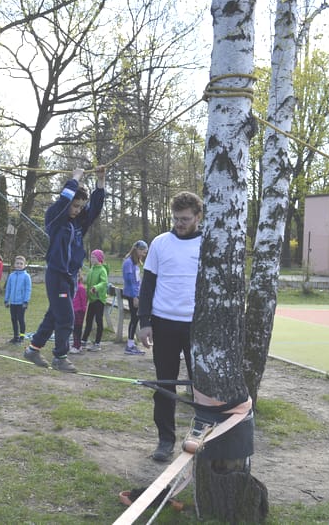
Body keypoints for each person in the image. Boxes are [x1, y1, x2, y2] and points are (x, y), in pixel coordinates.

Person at [137, 191, 203, 462]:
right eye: (176, 218)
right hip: (163, 323)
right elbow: (148, 285)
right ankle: (165, 441)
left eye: (185, 219)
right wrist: (144, 322)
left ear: (198, 217)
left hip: (197, 326)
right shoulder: (160, 243)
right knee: (165, 384)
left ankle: (202, 436)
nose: (179, 223)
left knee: (202, 387)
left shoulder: (208, 244)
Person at [23, 166, 106, 372]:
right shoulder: (55, 218)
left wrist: (101, 181)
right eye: (74, 206)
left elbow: (94, 208)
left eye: (80, 206)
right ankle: (60, 357)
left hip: (71, 277)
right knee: (67, 317)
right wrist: (75, 178)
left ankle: (33, 349)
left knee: (54, 315)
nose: (77, 210)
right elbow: (63, 201)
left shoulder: (78, 224)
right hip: (57, 275)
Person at [123, 240, 148, 355]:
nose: (144, 254)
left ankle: (131, 343)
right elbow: (129, 281)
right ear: (137, 250)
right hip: (132, 295)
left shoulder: (135, 263)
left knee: (136, 318)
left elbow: (137, 280)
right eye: (143, 251)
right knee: (134, 318)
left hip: (137, 294)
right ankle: (130, 345)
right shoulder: (128, 262)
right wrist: (135, 296)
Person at [81, 249, 109, 352]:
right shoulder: (92, 269)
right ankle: (84, 340)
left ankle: (97, 343)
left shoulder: (102, 270)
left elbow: (104, 282)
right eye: (91, 257)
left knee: (98, 321)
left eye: (94, 257)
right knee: (88, 320)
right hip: (92, 299)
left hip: (99, 299)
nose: (92, 259)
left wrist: (96, 288)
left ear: (99, 259)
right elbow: (88, 282)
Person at [4, 255, 32, 344]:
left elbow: (28, 289)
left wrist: (26, 301)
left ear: (24, 265)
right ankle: (15, 336)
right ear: (14, 264)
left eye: (21, 264)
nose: (19, 265)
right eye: (17, 263)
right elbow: (8, 288)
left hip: (21, 303)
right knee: (13, 319)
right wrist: (6, 300)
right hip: (13, 302)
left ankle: (22, 337)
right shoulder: (11, 276)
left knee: (21, 319)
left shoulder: (26, 276)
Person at [69, 278, 87, 354]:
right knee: (74, 329)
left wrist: (83, 311)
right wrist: (59, 295)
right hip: (73, 310)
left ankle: (77, 346)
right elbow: (66, 295)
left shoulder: (81, 288)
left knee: (77, 329)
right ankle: (76, 345)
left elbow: (84, 301)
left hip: (79, 312)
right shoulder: (72, 287)